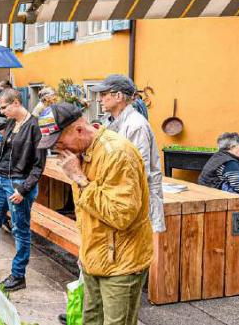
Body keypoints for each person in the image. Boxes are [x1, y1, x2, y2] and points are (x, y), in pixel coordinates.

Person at [40, 103, 152, 325]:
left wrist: (80, 179)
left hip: (121, 262)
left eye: (60, 143)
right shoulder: (83, 152)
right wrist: (86, 251)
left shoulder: (117, 153)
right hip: (95, 257)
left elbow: (121, 216)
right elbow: (87, 212)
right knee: (90, 320)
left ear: (79, 130)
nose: (59, 151)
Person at [0, 89, 46, 292]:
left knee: (20, 229)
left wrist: (24, 189)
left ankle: (18, 275)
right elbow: (3, 153)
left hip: (18, 183)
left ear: (16, 102)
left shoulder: (34, 126)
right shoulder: (10, 124)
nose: (1, 112)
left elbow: (38, 165)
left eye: (4, 107)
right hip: (1, 180)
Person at [93, 74, 166, 233]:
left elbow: (139, 171)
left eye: (103, 94)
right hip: (117, 198)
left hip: (133, 203)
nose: (99, 99)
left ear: (118, 96)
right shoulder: (109, 121)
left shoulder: (136, 125)